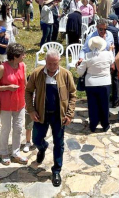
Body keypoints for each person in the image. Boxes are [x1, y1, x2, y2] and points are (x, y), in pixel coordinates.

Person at [25, 49, 77, 187]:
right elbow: (28, 91)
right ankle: (42, 148)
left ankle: (56, 170)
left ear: (59, 61)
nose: (52, 67)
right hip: (41, 114)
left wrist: (70, 114)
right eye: (49, 63)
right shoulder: (37, 73)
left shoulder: (66, 74)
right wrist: (31, 110)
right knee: (36, 139)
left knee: (59, 143)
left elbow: (73, 94)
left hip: (59, 116)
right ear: (45, 61)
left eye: (55, 63)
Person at [0, 43, 28, 165]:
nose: (24, 56)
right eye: (22, 54)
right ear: (15, 56)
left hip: (20, 103)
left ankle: (16, 152)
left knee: (18, 128)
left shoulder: (22, 66)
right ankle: (4, 151)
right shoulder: (2, 68)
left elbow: (25, 85)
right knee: (6, 129)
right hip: (6, 104)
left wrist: (28, 100)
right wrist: (7, 87)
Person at [77, 36, 114, 132]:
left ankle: (93, 124)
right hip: (105, 82)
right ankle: (105, 124)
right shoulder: (108, 54)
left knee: (92, 105)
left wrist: (78, 66)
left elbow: (80, 72)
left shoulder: (87, 56)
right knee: (104, 104)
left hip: (91, 83)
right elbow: (111, 60)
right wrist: (110, 50)